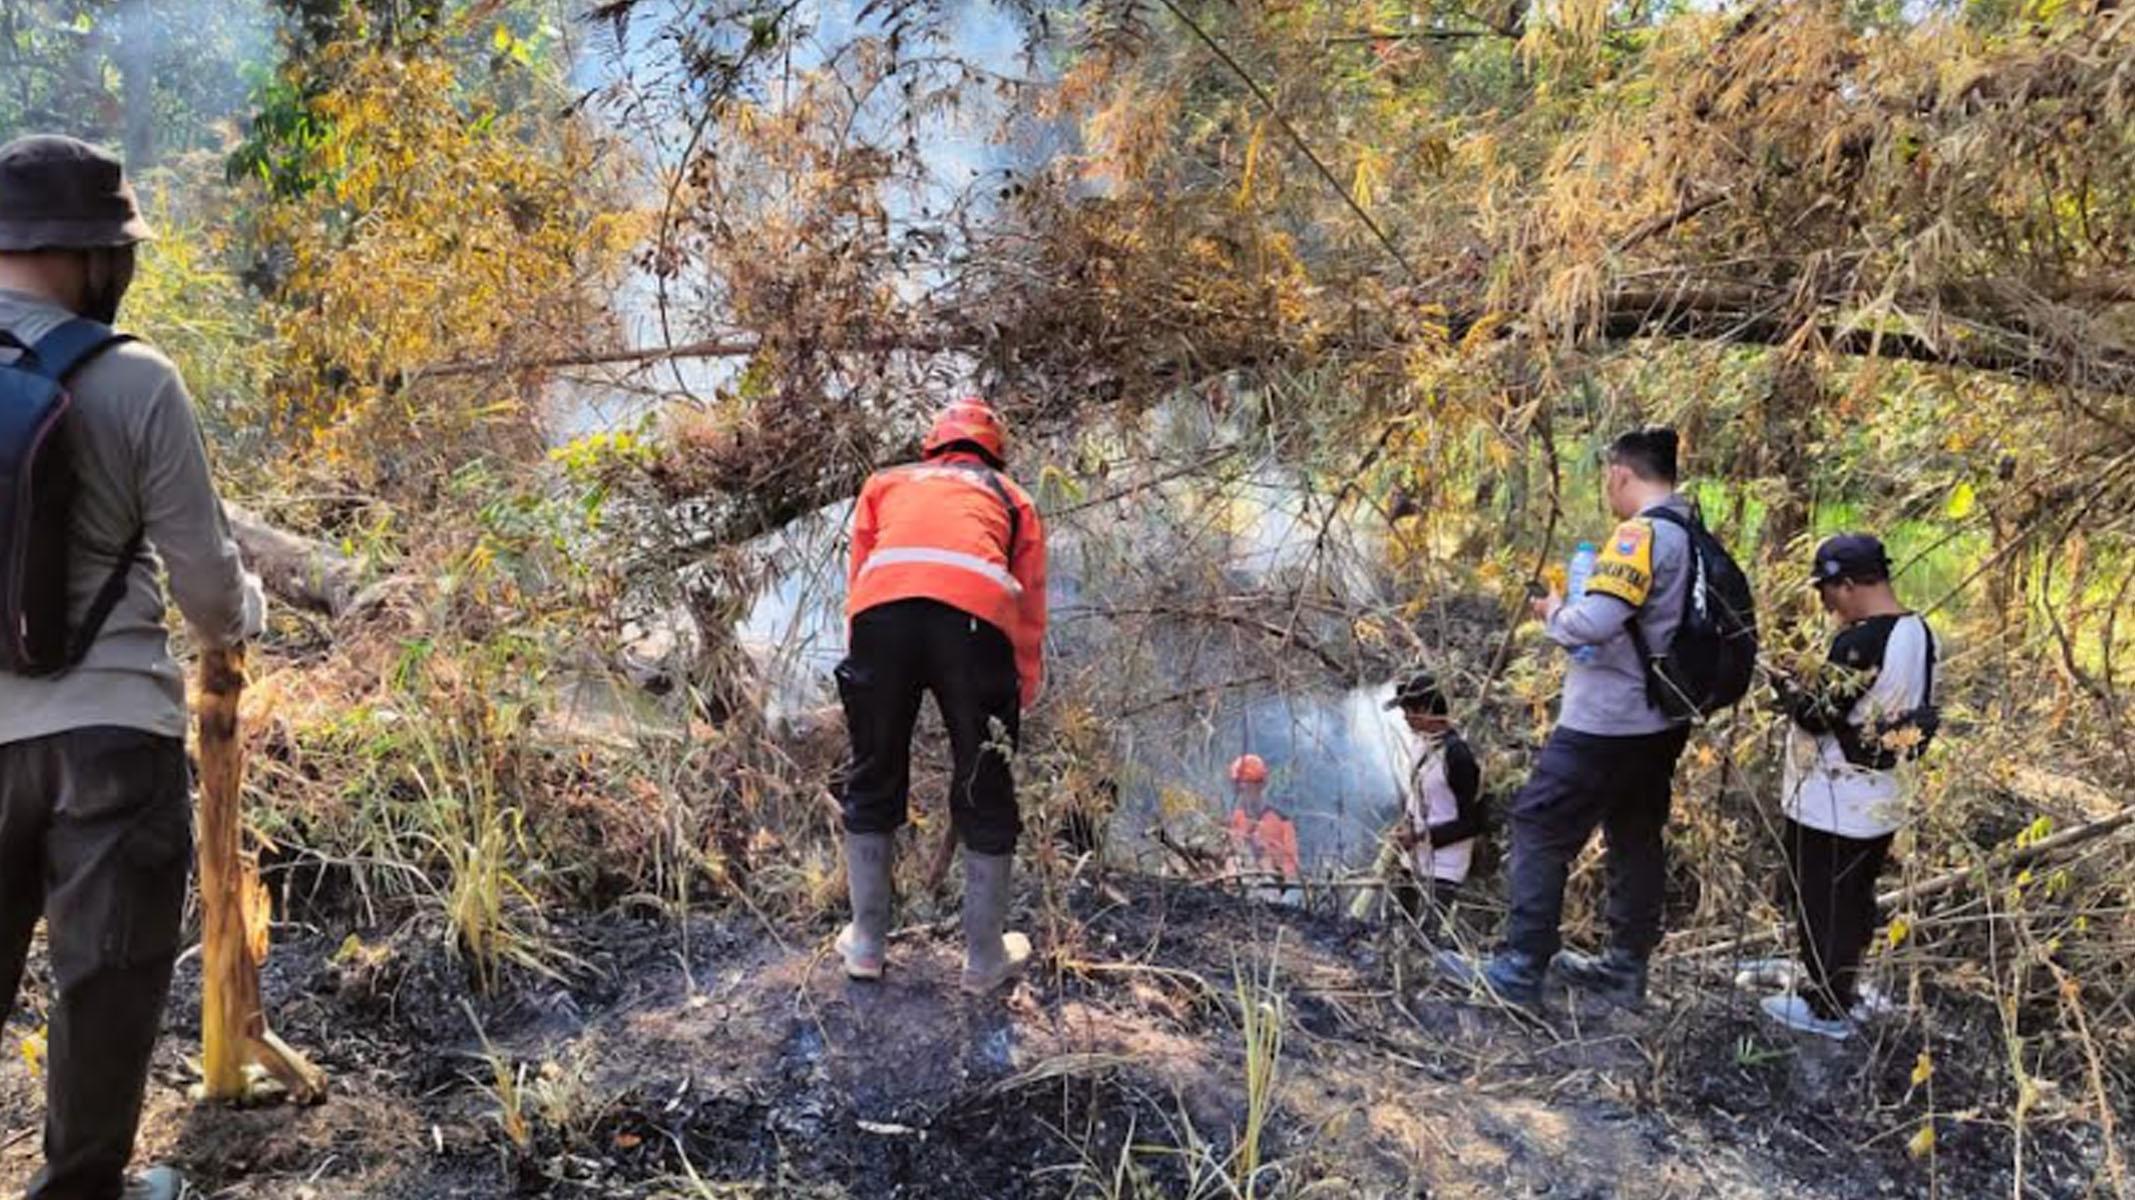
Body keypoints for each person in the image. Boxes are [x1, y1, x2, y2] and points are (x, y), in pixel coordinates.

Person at [0, 134, 264, 1200]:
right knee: (102, 982)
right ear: (97, 257)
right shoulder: (136, 378)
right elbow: (208, 591)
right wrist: (243, 614)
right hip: (111, 738)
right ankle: (79, 1188)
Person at [1440, 427, 1696, 1008]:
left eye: (1608, 475)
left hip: (1608, 721)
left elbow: (1594, 624)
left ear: (1621, 473)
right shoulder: (1690, 531)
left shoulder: (1640, 535)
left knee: (1538, 824)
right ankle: (1625, 969)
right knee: (1634, 835)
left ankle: (1520, 969)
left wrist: (1555, 611)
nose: (1607, 486)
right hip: (1661, 721)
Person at [834, 397, 1048, 994]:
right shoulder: (1012, 498)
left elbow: (859, 577)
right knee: (984, 780)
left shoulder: (885, 483)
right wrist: (1023, 680)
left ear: (933, 445)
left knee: (873, 770)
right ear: (994, 452)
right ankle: (983, 960)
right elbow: (1029, 600)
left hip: (880, 620)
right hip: (975, 624)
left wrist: (865, 657)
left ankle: (867, 945)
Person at [1759, 534, 1938, 1041]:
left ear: (1849, 584)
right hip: (1883, 797)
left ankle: (1826, 1005)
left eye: (1827, 591)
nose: (1826, 604)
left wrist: (1785, 686)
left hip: (1833, 798)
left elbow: (1817, 715)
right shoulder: (1920, 632)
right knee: (1855, 896)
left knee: (1822, 899)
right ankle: (1847, 987)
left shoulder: (1859, 642)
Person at [1385, 673, 1485, 942]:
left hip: (1444, 867)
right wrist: (1406, 826)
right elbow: (1416, 799)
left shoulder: (1458, 755)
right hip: (1413, 860)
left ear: (1427, 710)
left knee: (1426, 939)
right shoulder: (1419, 744)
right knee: (1400, 932)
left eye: (1410, 711)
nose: (1406, 718)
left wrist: (1420, 836)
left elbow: (1472, 823)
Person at [1223, 754, 1302, 895]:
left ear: (1261, 785)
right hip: (1237, 892)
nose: (1241, 790)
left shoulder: (1282, 822)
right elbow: (1228, 854)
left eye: (1247, 784)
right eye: (1237, 784)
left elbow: (1291, 871)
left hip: (1271, 891)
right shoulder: (1233, 819)